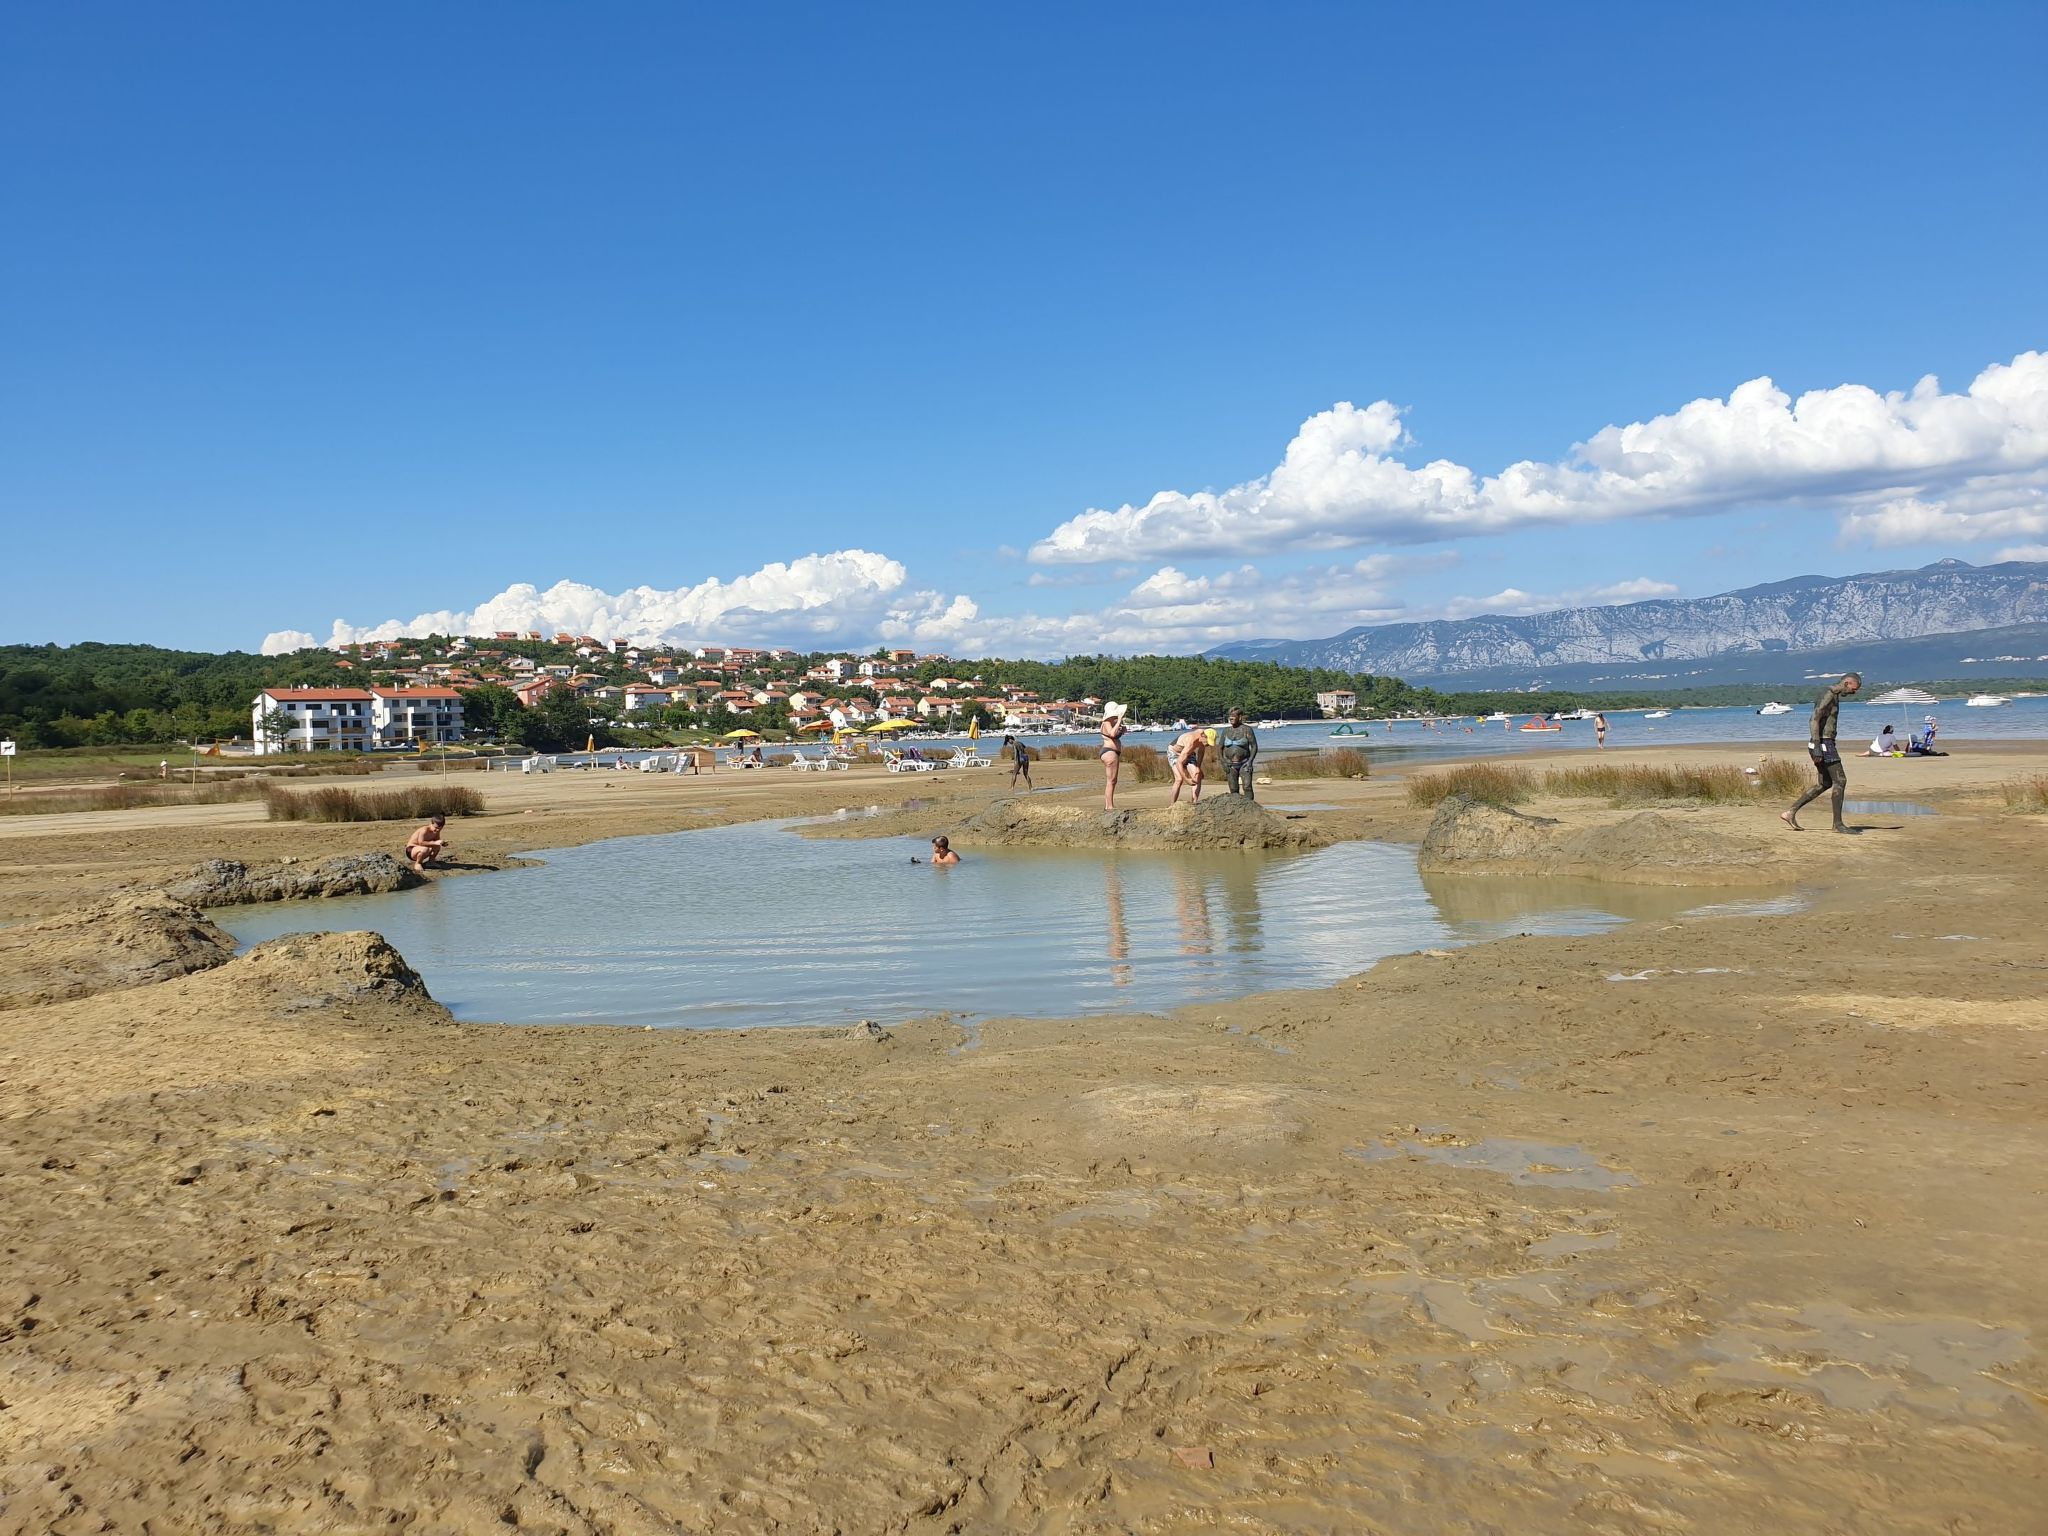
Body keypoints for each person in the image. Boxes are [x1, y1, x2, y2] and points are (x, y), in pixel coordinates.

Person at [1783, 672, 1861, 832]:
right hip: (1823, 743)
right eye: (1854, 689)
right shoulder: (1829, 694)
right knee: (1840, 781)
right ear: (1847, 683)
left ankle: (1790, 812)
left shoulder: (1835, 696)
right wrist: (1817, 745)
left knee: (1824, 783)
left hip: (1825, 742)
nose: (1854, 692)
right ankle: (1837, 825)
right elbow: (1814, 719)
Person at [1218, 709, 1259, 798]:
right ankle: (1237, 809)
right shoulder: (1226, 731)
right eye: (1229, 716)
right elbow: (1220, 748)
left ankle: (1250, 807)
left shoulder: (1247, 730)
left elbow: (1254, 747)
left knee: (1247, 787)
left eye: (1233, 716)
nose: (1230, 718)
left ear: (1240, 717)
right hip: (1230, 764)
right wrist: (1223, 762)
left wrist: (1250, 762)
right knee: (1233, 788)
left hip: (1244, 763)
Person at [1167, 725, 1210, 804]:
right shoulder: (1191, 741)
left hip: (1189, 753)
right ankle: (1172, 805)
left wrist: (1198, 767)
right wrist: (1186, 779)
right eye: (1207, 742)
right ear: (1203, 737)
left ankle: (1194, 802)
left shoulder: (1204, 734)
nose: (1208, 745)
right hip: (1175, 753)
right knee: (1179, 779)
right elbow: (1179, 762)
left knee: (1197, 776)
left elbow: (1201, 752)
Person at [1099, 701, 1129, 810]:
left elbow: (1116, 734)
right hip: (1109, 752)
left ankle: (1109, 805)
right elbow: (1112, 734)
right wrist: (1119, 720)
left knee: (1113, 780)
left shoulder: (1112, 723)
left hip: (1113, 752)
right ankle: (1109, 806)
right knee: (1111, 781)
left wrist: (1121, 729)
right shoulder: (1106, 723)